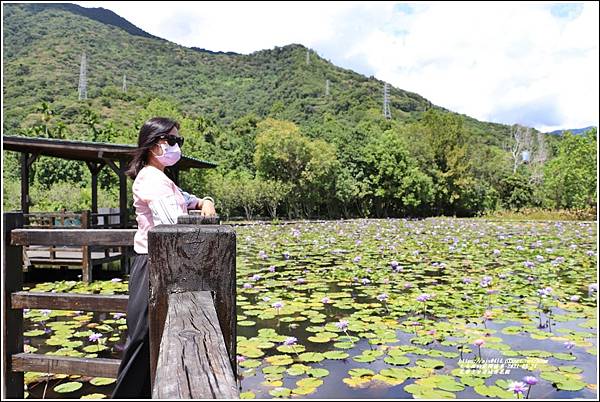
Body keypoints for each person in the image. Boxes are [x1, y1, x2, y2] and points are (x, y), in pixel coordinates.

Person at [111, 117, 216, 398]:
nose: (176, 146)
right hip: (151, 264)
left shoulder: (161, 178)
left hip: (162, 263)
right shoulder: (149, 178)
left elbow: (185, 198)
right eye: (172, 141)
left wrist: (205, 201)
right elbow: (172, 223)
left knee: (152, 336)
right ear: (153, 144)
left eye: (178, 141)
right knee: (142, 338)